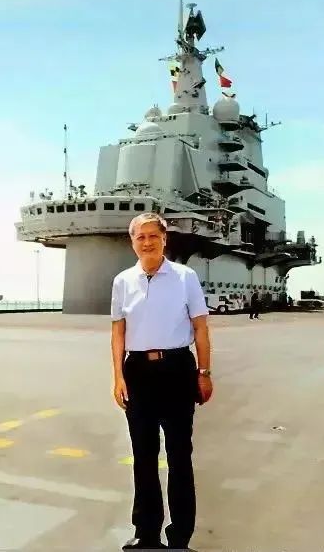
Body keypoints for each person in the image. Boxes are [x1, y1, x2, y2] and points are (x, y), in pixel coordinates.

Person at [111, 212, 213, 551]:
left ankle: (180, 537)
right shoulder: (123, 281)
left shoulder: (185, 277)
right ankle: (147, 532)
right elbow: (118, 332)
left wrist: (204, 372)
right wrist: (118, 377)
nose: (147, 242)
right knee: (143, 456)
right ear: (132, 242)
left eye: (153, 236)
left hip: (177, 369)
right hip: (137, 372)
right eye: (140, 237)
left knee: (179, 455)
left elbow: (200, 327)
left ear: (164, 239)